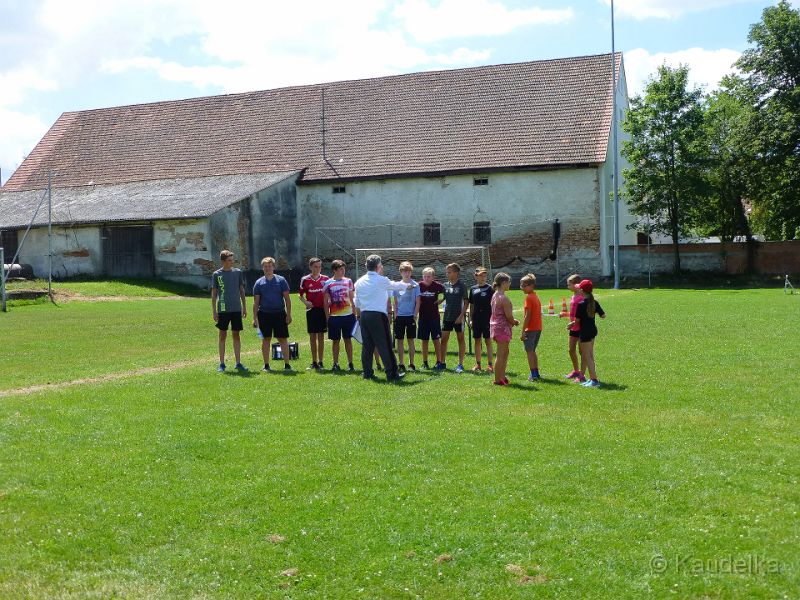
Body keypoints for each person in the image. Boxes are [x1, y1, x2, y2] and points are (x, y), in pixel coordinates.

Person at [353, 254, 412, 381]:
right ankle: (392, 374)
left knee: (367, 345)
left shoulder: (359, 282)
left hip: (364, 315)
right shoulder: (381, 279)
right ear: (378, 266)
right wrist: (407, 286)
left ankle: (367, 372)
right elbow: (395, 285)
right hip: (377, 315)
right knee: (384, 344)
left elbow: (356, 303)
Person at [252, 256, 293, 372]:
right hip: (264, 315)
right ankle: (266, 365)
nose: (268, 268)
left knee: (283, 339)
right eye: (265, 266)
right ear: (262, 268)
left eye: (270, 266)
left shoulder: (281, 280)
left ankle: (287, 365)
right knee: (266, 339)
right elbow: (256, 303)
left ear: (273, 267)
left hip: (279, 314)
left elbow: (287, 299)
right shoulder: (259, 283)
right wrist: (255, 318)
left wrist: (288, 314)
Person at [211, 249, 248, 373]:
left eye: (232, 260)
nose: (232, 262)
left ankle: (238, 363)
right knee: (222, 335)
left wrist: (244, 306)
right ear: (223, 261)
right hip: (223, 309)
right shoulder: (217, 274)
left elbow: (242, 290)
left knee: (236, 335)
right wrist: (214, 311)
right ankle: (221, 363)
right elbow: (214, 293)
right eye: (229, 260)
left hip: (236, 309)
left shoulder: (238, 273)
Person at [569, 279, 605, 387]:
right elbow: (603, 316)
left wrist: (571, 324)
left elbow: (577, 321)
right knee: (590, 355)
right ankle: (592, 378)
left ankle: (594, 380)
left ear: (582, 290)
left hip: (584, 332)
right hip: (593, 330)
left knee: (587, 356)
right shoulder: (595, 302)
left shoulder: (581, 304)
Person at [323, 259, 356, 372]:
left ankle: (350, 363)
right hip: (335, 317)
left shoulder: (348, 281)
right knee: (335, 341)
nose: (343, 271)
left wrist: (354, 312)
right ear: (334, 270)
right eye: (341, 269)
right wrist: (328, 317)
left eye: (344, 269)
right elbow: (325, 301)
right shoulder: (328, 283)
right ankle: (335, 363)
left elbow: (352, 298)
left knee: (348, 340)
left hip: (348, 315)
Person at [299, 257, 329, 370]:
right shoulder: (305, 280)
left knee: (321, 336)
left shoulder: (326, 279)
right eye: (315, 267)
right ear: (310, 267)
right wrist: (305, 302)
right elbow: (300, 295)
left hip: (322, 310)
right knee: (312, 336)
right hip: (311, 311)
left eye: (319, 266)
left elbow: (329, 293)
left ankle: (321, 361)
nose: (318, 269)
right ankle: (314, 362)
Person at [490, 272, 518, 385]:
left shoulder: (495, 295)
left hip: (496, 327)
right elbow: (509, 316)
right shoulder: (503, 298)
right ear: (504, 283)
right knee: (501, 354)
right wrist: (514, 322)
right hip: (502, 328)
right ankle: (497, 380)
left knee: (505, 352)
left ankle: (502, 376)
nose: (509, 284)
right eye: (508, 282)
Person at [441, 262, 469, 373]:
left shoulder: (462, 286)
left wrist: (461, 316)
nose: (447, 274)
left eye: (449, 272)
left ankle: (460, 364)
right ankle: (442, 362)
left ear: (456, 273)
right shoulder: (445, 285)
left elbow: (466, 303)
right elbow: (444, 297)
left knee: (460, 340)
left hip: (458, 318)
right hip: (447, 316)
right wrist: (440, 300)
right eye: (447, 272)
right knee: (443, 340)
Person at [392, 261, 420, 372]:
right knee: (399, 340)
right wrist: (396, 315)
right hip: (400, 317)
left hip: (410, 316)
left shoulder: (416, 285)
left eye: (408, 271)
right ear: (401, 272)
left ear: (411, 272)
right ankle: (401, 363)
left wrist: (415, 314)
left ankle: (411, 364)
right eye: (404, 271)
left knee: (410, 340)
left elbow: (418, 301)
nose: (406, 273)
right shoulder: (397, 286)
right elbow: (395, 301)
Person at [417, 267, 445, 370]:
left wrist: (441, 300)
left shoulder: (437, 286)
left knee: (436, 339)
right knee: (424, 340)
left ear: (433, 277)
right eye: (424, 276)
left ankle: (439, 361)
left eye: (428, 276)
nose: (426, 278)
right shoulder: (419, 285)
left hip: (434, 318)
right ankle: (425, 362)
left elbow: (447, 292)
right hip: (423, 317)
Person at [468, 266, 494, 372]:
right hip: (476, 319)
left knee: (488, 341)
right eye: (480, 276)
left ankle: (490, 365)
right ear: (476, 277)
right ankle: (478, 364)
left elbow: (494, 304)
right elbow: (472, 305)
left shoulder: (490, 288)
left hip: (487, 318)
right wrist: (470, 319)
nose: (483, 278)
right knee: (477, 341)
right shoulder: (473, 289)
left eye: (485, 275)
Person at [520, 273, 543, 381]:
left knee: (529, 352)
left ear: (531, 285)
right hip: (538, 328)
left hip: (531, 329)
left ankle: (533, 374)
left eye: (524, 286)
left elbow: (527, 316)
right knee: (533, 351)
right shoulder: (535, 296)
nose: (522, 288)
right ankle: (536, 373)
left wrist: (523, 330)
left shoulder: (529, 297)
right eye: (521, 285)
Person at [564, 274, 584, 381]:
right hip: (573, 327)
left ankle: (583, 374)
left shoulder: (581, 297)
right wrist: (565, 314)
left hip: (580, 327)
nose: (568, 286)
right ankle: (576, 371)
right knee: (571, 350)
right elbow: (573, 312)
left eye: (569, 284)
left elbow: (580, 314)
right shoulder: (573, 296)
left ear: (576, 285)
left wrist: (573, 322)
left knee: (582, 351)